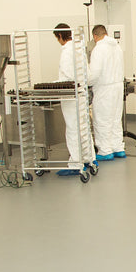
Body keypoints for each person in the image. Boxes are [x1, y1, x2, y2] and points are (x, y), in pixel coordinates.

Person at [53, 24, 87, 176]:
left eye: (57, 38)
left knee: (73, 129)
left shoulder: (67, 52)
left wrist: (54, 85)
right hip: (81, 93)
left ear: (60, 36)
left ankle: (75, 163)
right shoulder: (79, 49)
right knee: (83, 127)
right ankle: (89, 158)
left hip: (71, 95)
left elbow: (67, 77)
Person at [88, 24, 125, 160]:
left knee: (102, 119)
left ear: (95, 36)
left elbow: (94, 73)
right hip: (118, 87)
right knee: (115, 119)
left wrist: (86, 82)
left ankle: (105, 151)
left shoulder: (99, 49)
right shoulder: (117, 47)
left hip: (104, 88)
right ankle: (118, 148)